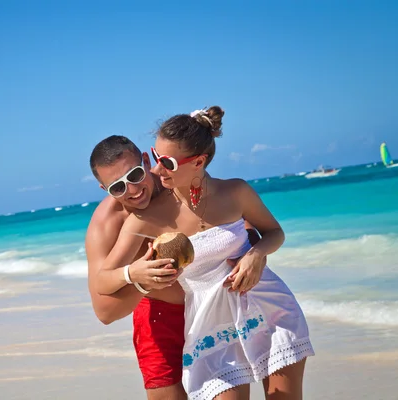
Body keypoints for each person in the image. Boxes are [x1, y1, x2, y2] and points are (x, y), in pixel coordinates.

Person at [96, 107, 314, 400]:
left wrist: (256, 255)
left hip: (268, 310)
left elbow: (275, 233)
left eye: (167, 163)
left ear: (198, 162)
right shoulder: (146, 218)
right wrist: (132, 273)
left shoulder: (235, 192)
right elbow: (102, 282)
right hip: (212, 327)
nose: (157, 171)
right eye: (157, 158)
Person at [86, 135, 265, 400]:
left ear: (147, 161)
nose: (132, 190)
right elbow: (105, 312)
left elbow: (238, 219)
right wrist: (142, 279)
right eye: (118, 187)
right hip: (161, 319)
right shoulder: (108, 224)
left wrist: (254, 253)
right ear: (105, 190)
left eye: (135, 175)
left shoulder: (178, 180)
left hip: (216, 306)